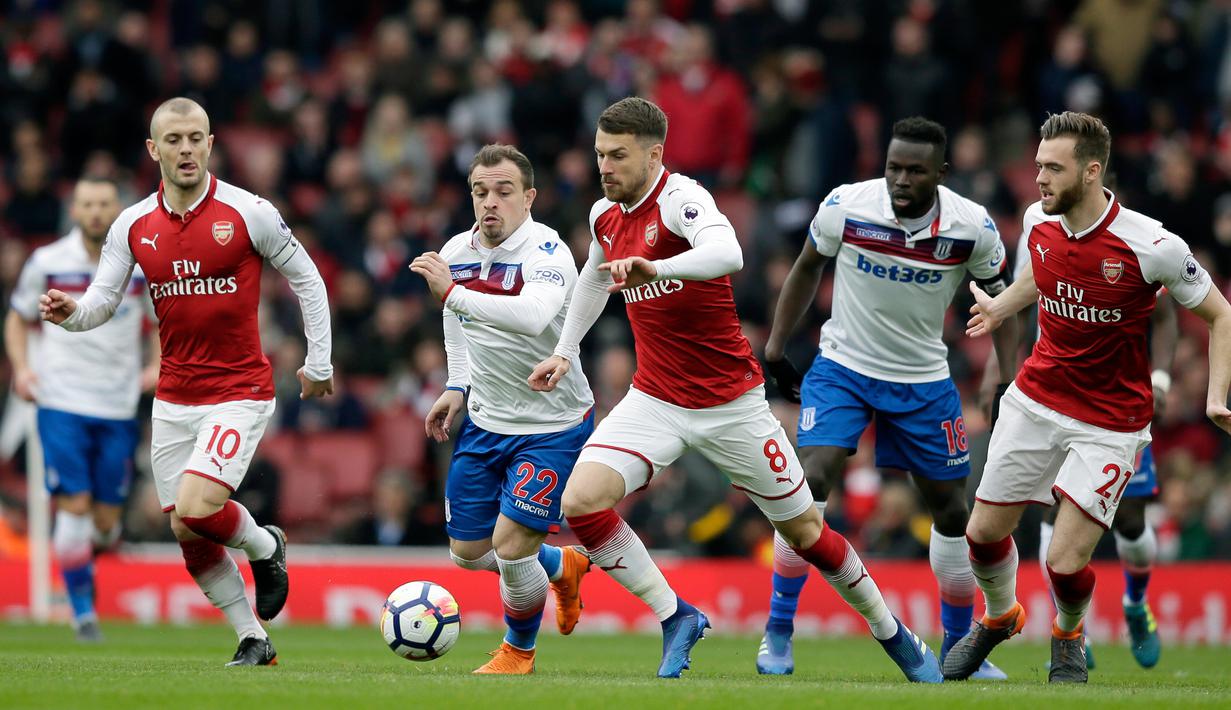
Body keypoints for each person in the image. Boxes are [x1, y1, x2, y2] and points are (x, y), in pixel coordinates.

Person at [529, 97, 941, 682]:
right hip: (654, 400)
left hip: (731, 406)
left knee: (805, 533)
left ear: (654, 155)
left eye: (618, 156)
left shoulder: (682, 199)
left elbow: (731, 252)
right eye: (600, 154)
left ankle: (894, 634)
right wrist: (565, 351)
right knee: (580, 501)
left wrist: (658, 267)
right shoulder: (605, 214)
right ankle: (676, 617)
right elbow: (594, 277)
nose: (605, 166)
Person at [38, 97, 334, 667]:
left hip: (239, 391)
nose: (186, 149)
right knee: (185, 530)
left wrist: (318, 363)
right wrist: (71, 313)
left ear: (211, 142)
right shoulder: (132, 225)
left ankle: (267, 545)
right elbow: (103, 302)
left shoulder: (249, 212)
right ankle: (253, 638)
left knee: (198, 507)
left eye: (195, 137)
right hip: (174, 396)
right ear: (154, 150)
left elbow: (309, 279)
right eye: (173, 140)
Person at [946, 111, 1231, 684]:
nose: (1040, 179)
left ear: (1092, 171)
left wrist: (1217, 394)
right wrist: (1003, 306)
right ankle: (1000, 616)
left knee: (1064, 561)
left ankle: (1068, 634)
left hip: (1111, 423)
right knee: (981, 534)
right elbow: (1042, 275)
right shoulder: (1037, 219)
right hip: (1035, 399)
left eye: (1053, 168)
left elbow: (1220, 313)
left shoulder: (1152, 244)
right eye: (1037, 167)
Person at [756, 117, 1017, 679]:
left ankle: (957, 649)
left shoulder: (972, 228)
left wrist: (1006, 376)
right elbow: (806, 269)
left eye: (915, 171)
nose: (900, 179)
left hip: (923, 379)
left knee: (952, 509)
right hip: (843, 367)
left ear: (940, 174)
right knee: (811, 479)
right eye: (894, 166)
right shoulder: (847, 205)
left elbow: (1004, 304)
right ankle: (778, 631)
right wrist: (776, 347)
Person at [411, 143, 595, 675]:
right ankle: (562, 566)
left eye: (503, 192)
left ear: (529, 197)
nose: (490, 202)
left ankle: (519, 651)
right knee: (467, 552)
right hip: (487, 420)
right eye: (480, 191)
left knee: (512, 547)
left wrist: (453, 293)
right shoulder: (458, 249)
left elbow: (535, 316)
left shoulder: (548, 253)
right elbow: (455, 321)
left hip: (551, 424)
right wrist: (458, 382)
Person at [989, 232, 1177, 670]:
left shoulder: (1133, 239)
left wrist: (1162, 377)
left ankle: (1136, 602)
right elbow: (1019, 304)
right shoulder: (1037, 232)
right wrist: (995, 377)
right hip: (1051, 401)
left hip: (1114, 407)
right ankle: (1072, 628)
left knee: (1130, 521)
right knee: (1053, 515)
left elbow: (1166, 316)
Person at [5, 177, 160, 641]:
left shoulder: (137, 267)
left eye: (104, 204)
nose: (96, 212)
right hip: (62, 400)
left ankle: (83, 565)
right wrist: (22, 369)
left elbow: (158, 321)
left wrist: (155, 365)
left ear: (117, 211)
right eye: (88, 204)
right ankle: (80, 612)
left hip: (117, 403)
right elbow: (17, 317)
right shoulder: (48, 262)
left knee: (106, 523)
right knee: (73, 506)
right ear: (75, 210)